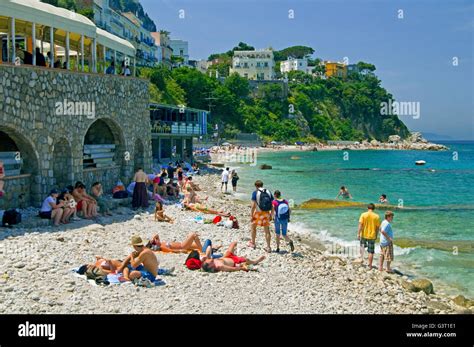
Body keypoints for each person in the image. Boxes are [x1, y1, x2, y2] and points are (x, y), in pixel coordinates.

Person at [201, 242, 266, 273]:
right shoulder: (219, 266)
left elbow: (209, 248)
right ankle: (255, 261)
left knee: (233, 243)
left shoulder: (209, 260)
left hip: (227, 256)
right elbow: (232, 269)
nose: (210, 259)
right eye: (209, 261)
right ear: (210, 266)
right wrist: (241, 268)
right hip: (234, 261)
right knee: (246, 260)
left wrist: (206, 256)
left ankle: (237, 252)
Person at [249, 180, 273, 252]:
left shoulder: (255, 192)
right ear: (262, 185)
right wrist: (271, 214)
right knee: (267, 230)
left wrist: (251, 215)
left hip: (259, 213)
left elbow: (253, 206)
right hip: (266, 213)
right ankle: (268, 247)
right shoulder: (268, 191)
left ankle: (253, 243)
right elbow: (272, 205)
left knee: (253, 227)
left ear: (256, 186)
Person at [358, 203, 381, 269]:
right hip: (372, 236)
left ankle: (361, 259)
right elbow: (377, 228)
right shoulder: (376, 216)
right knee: (371, 251)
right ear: (374, 209)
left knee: (362, 247)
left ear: (367, 208)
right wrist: (376, 235)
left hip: (364, 234)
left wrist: (358, 234)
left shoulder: (363, 214)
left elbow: (360, 225)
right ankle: (370, 265)